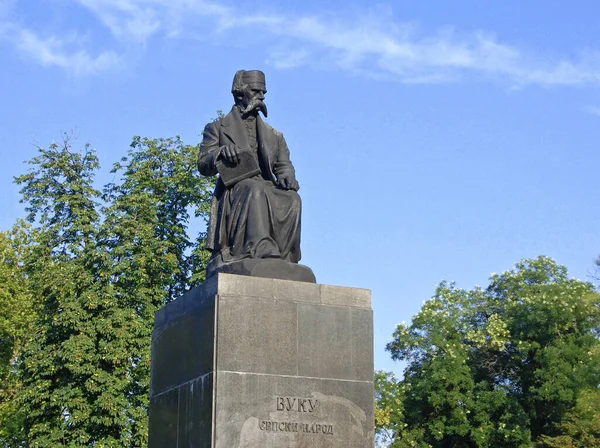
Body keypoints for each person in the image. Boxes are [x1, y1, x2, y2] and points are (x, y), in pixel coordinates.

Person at [198, 70, 303, 274]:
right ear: (239, 93)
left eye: (263, 92)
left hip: (267, 186)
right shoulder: (217, 128)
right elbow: (203, 163)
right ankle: (257, 246)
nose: (261, 96)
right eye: (256, 90)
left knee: (292, 199)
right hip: (236, 188)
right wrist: (220, 153)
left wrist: (287, 176)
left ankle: (285, 256)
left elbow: (283, 165)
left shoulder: (275, 135)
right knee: (254, 188)